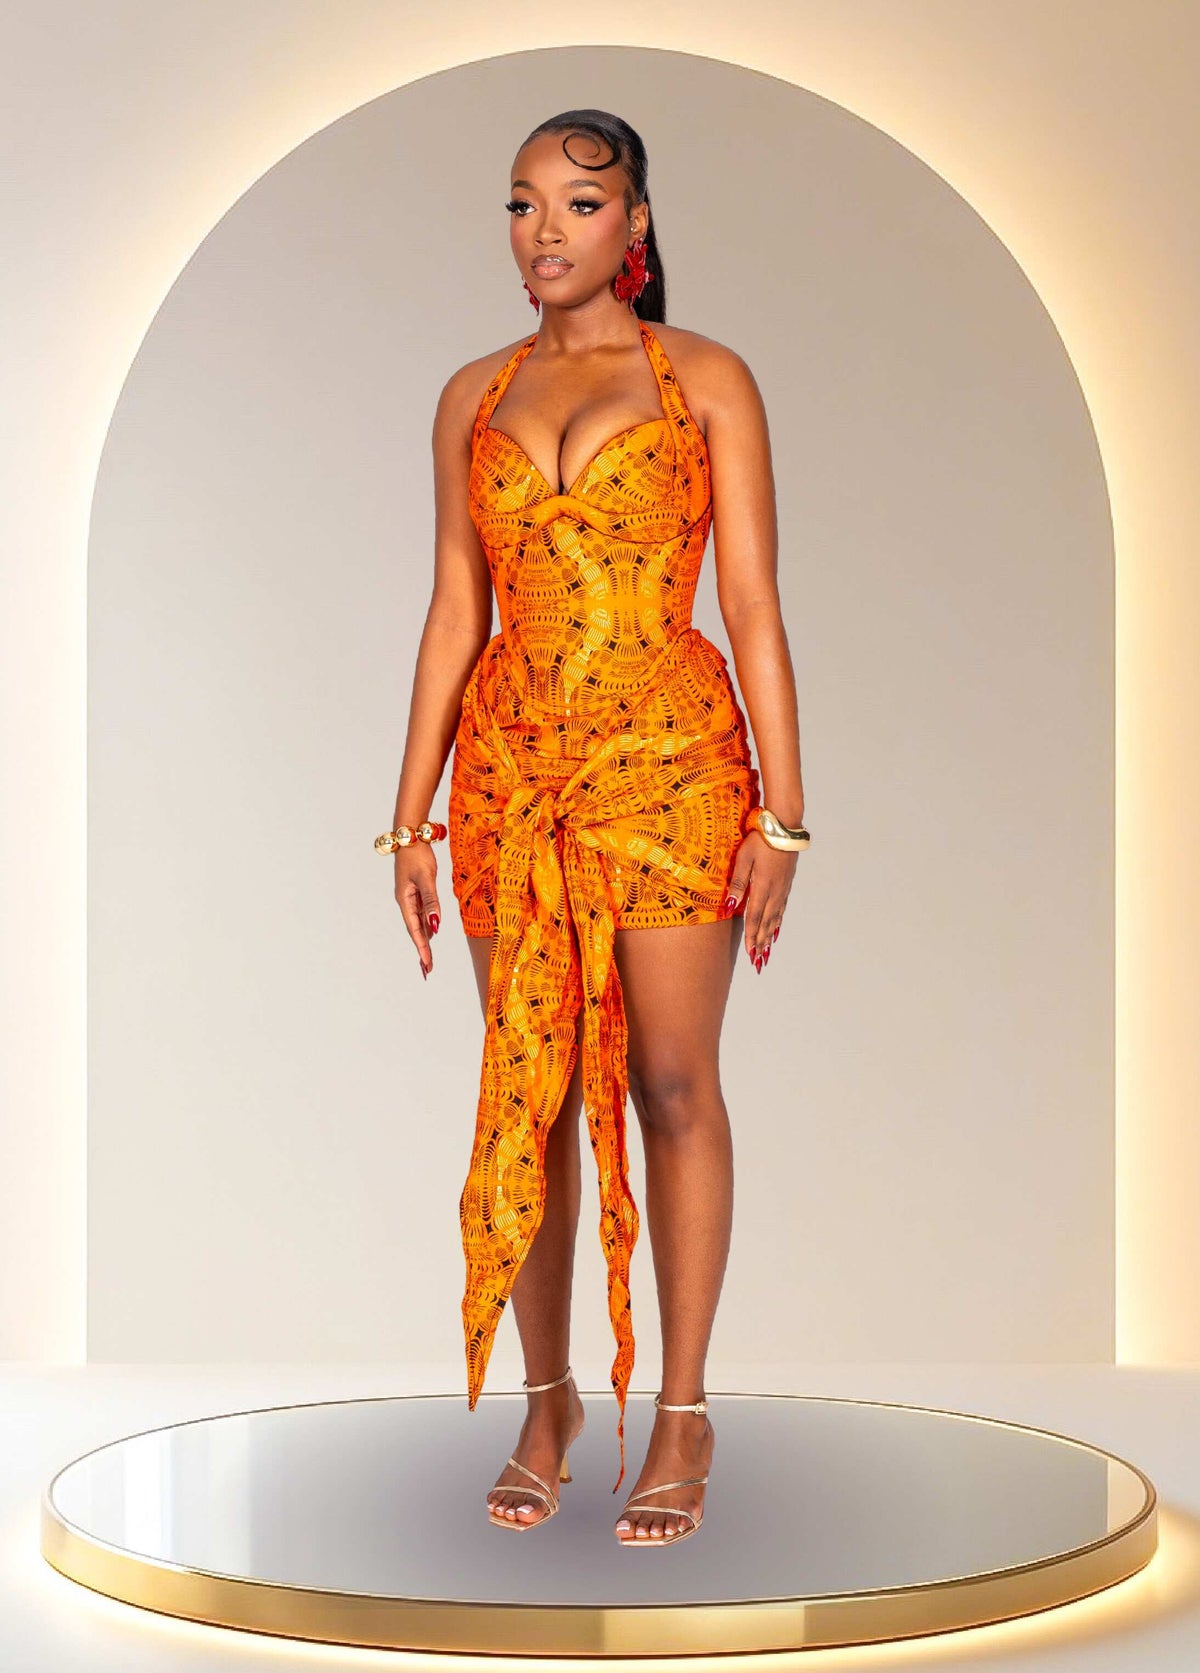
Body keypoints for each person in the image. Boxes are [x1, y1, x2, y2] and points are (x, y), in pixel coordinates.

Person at [378, 109, 807, 1547]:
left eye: (578, 201)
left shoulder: (709, 379)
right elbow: (456, 609)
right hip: (511, 772)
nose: (544, 230)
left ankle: (682, 1410)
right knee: (535, 1084)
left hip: (672, 765)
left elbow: (752, 604)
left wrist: (785, 816)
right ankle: (548, 1399)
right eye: (521, 204)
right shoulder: (472, 393)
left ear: (637, 225)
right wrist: (408, 818)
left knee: (674, 1084)